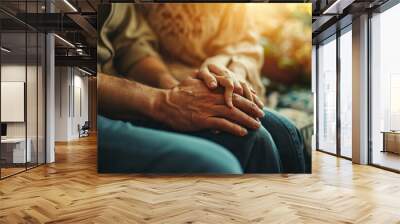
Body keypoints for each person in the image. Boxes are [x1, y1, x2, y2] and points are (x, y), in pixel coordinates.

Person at [97, 3, 309, 173]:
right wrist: (166, 99)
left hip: (197, 80)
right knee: (251, 139)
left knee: (285, 132)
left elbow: (132, 44)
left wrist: (177, 90)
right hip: (111, 98)